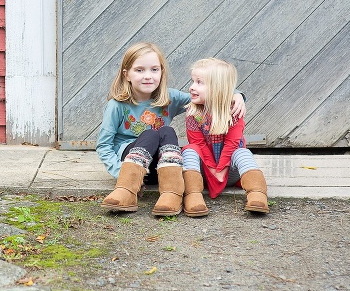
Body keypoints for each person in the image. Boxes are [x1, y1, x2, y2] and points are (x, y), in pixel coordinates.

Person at [96, 43, 246, 216]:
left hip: (160, 168)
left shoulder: (170, 97)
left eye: (154, 69)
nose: (148, 76)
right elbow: (104, 146)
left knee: (168, 132)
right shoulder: (117, 105)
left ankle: (171, 194)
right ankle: (126, 191)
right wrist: (119, 172)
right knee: (152, 134)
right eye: (139, 70)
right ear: (126, 74)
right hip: (132, 168)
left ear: (162, 72)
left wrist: (236, 94)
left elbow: (213, 90)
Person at [181, 57, 268, 217]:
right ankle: (192, 194)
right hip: (203, 173)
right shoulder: (193, 112)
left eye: (199, 82)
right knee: (190, 149)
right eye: (193, 81)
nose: (192, 87)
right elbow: (198, 143)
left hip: (230, 171)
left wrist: (222, 169)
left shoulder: (233, 111)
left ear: (217, 88)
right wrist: (213, 169)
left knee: (241, 152)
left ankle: (257, 193)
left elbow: (232, 143)